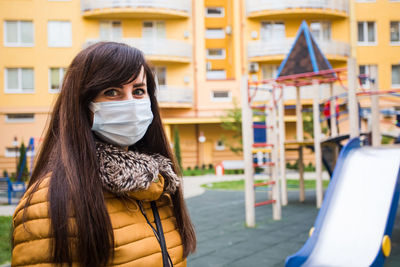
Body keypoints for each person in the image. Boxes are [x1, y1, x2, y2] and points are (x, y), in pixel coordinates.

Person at [11, 42, 196, 266]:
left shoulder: (159, 188)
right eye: (111, 92)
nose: (130, 103)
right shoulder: (49, 203)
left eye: (138, 91)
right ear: (82, 104)